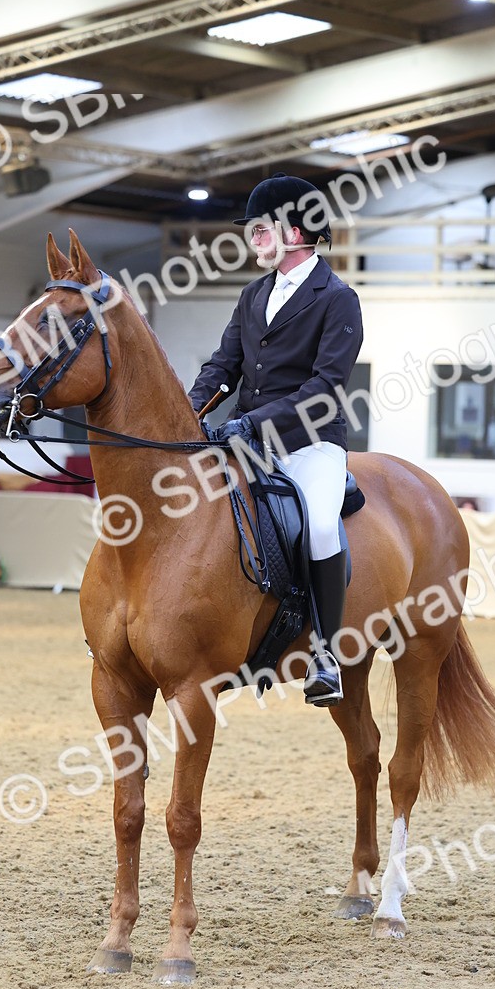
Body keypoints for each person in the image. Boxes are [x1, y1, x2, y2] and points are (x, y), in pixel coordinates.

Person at [188, 173, 363, 707]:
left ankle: (327, 655)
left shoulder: (337, 299)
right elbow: (224, 365)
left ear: (294, 231)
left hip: (311, 444)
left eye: (260, 230)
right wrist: (188, 415)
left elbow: (324, 389)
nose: (252, 239)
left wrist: (253, 423)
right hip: (245, 440)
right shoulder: (252, 294)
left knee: (318, 527)